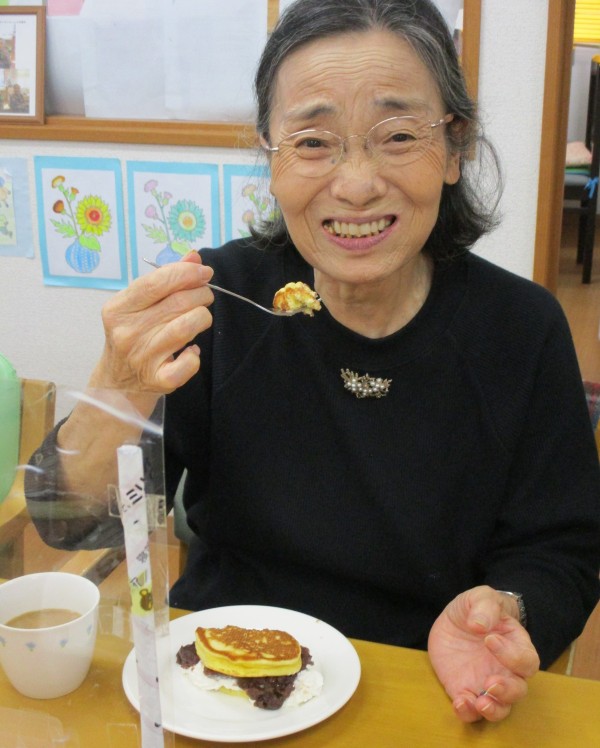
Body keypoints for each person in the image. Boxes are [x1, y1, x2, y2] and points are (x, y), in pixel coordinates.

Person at [26, 0, 599, 724]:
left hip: (428, 685)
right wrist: (117, 387)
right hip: (217, 688)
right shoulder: (218, 302)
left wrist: (505, 613)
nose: (356, 184)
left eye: (398, 135)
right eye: (313, 142)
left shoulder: (520, 328)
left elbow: (564, 549)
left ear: (455, 149)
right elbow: (69, 524)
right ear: (271, 159)